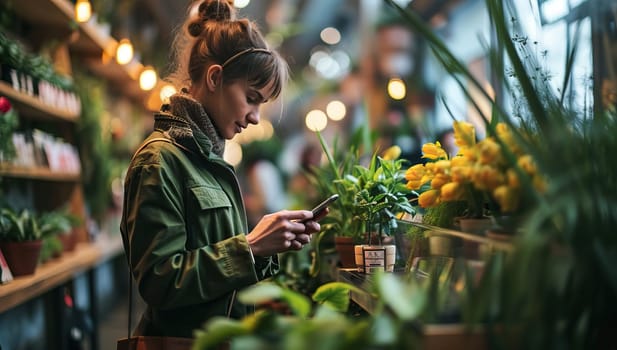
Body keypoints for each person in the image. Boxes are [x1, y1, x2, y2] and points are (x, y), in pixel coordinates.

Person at [119, 0, 323, 339]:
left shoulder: (209, 162)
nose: (256, 116)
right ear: (215, 77)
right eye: (252, 97)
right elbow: (159, 281)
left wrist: (271, 245)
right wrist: (252, 246)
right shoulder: (159, 161)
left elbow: (218, 271)